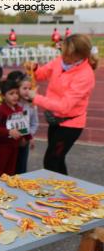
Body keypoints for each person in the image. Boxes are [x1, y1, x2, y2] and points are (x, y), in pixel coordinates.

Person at [27, 34, 97, 175]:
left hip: (70, 124)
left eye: (66, 53)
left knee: (51, 161)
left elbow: (65, 106)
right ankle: (65, 190)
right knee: (57, 159)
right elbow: (41, 75)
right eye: (62, 51)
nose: (62, 56)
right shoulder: (60, 61)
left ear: (78, 55)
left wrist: (36, 98)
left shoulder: (85, 75)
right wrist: (34, 69)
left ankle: (58, 192)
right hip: (55, 120)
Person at [0, 79, 23, 179]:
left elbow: (23, 125)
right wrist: (8, 132)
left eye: (17, 93)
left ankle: (7, 190)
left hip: (15, 146)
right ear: (3, 96)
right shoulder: (0, 110)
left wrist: (28, 137)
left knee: (11, 171)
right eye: (11, 93)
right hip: (2, 146)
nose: (15, 96)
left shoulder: (19, 109)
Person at [16, 76, 39, 174]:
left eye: (30, 89)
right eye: (24, 88)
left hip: (25, 141)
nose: (27, 91)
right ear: (18, 89)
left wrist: (29, 136)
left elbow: (34, 123)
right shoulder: (14, 103)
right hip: (12, 140)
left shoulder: (32, 106)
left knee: (22, 165)